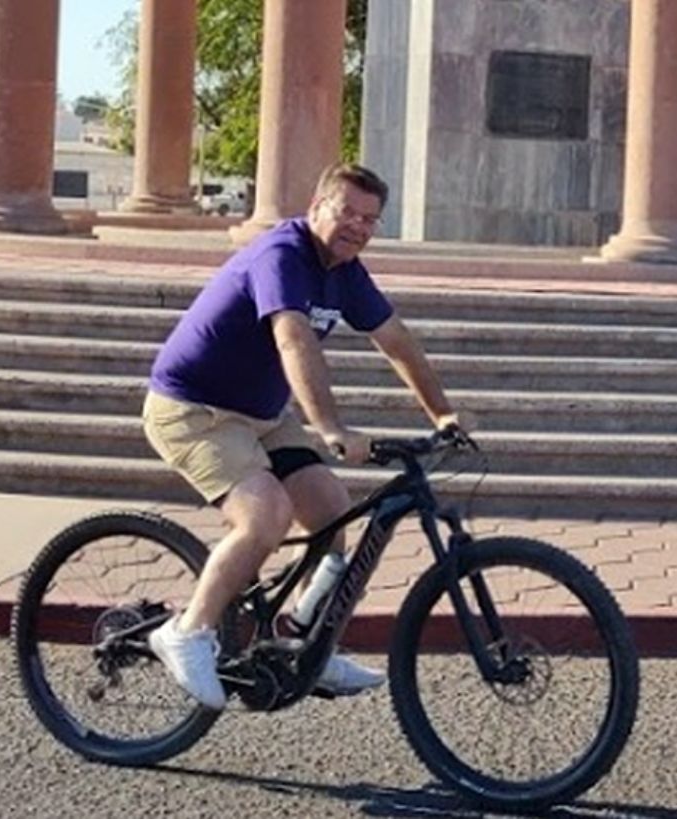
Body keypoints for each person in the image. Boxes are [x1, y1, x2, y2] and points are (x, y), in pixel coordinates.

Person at [141, 163, 465, 710]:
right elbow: (293, 340)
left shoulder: (346, 271)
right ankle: (187, 631)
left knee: (332, 514)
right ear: (316, 208)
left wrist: (443, 415)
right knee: (265, 515)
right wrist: (331, 428)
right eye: (347, 212)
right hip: (194, 409)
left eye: (370, 219)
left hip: (263, 415)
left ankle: (306, 645)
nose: (357, 226)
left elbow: (396, 340)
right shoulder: (282, 255)